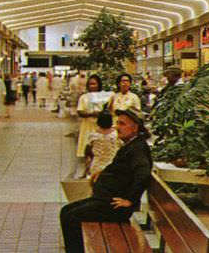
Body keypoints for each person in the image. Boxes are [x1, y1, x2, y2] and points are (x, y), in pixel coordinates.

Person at [59, 108, 152, 253]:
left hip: (113, 206)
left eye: (122, 124)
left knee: (71, 217)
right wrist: (102, 172)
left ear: (135, 128)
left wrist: (130, 201)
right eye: (117, 123)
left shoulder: (138, 149)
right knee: (67, 211)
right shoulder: (131, 145)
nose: (117, 127)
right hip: (104, 199)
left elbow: (143, 174)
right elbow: (120, 168)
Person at [76, 75, 113, 158]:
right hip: (87, 126)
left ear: (99, 84)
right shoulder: (84, 97)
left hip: (100, 127)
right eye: (90, 84)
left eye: (94, 84)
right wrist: (91, 114)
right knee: (88, 150)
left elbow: (110, 109)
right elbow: (80, 111)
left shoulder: (104, 96)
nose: (92, 86)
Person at [85, 110, 120, 177]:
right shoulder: (116, 134)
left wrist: (87, 166)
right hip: (113, 166)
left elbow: (88, 152)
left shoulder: (93, 135)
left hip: (96, 166)